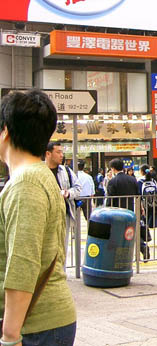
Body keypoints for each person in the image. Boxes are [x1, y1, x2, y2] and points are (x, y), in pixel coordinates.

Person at [0, 89, 77, 345]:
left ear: (6, 132)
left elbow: (24, 262)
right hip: (45, 322)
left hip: (35, 327)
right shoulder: (42, 175)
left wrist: (10, 336)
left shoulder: (26, 182)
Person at [45, 142, 81, 258]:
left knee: (61, 248)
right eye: (58, 152)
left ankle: (61, 273)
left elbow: (78, 188)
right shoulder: (39, 171)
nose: (62, 155)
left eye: (62, 152)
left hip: (62, 214)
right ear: (48, 154)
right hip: (44, 215)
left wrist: (68, 193)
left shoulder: (66, 171)